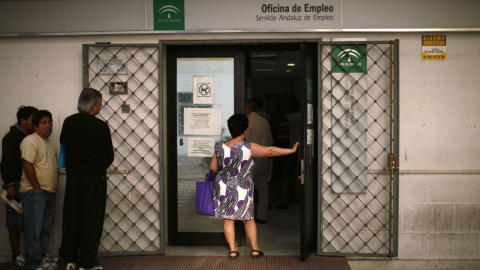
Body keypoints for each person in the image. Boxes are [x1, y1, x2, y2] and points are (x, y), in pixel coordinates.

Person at [209, 114, 298, 260]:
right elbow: (270, 151)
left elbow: (213, 167)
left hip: (224, 187)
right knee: (248, 219)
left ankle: (232, 250)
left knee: (228, 219)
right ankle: (255, 249)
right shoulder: (248, 147)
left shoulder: (220, 147)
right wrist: (291, 150)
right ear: (245, 130)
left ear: (231, 130)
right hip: (242, 188)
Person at [59, 88, 114, 270]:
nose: (101, 106)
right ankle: (87, 263)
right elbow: (109, 156)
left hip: (74, 178)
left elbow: (64, 145)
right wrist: (97, 166)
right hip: (94, 179)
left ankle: (69, 260)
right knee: (91, 220)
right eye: (99, 103)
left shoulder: (68, 122)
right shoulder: (100, 126)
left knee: (72, 218)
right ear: (92, 105)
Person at [20, 110, 59, 270]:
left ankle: (41, 258)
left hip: (49, 193)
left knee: (45, 230)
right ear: (35, 126)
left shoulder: (51, 143)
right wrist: (36, 187)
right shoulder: (30, 141)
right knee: (34, 230)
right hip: (35, 193)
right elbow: (27, 164)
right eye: (43, 122)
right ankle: (32, 264)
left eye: (49, 121)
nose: (48, 125)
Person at [1, 105, 38, 268]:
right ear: (22, 121)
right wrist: (10, 185)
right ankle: (16, 256)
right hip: (15, 184)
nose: (36, 123)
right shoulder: (11, 138)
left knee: (33, 221)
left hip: (31, 184)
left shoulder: (35, 137)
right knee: (14, 221)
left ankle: (33, 254)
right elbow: (6, 163)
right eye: (32, 120)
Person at [245, 99, 273, 224]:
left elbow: (244, 142)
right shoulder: (265, 121)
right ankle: (262, 216)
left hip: (252, 158)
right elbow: (270, 141)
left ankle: (246, 215)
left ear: (248, 108)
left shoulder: (248, 122)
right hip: (264, 158)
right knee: (263, 189)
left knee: (246, 188)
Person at [267, 97, 290, 209]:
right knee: (283, 177)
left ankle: (268, 202)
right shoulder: (283, 118)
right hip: (284, 151)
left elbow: (272, 137)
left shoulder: (275, 119)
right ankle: (284, 201)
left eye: (271, 105)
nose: (269, 107)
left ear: (276, 106)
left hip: (275, 151)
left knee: (272, 177)